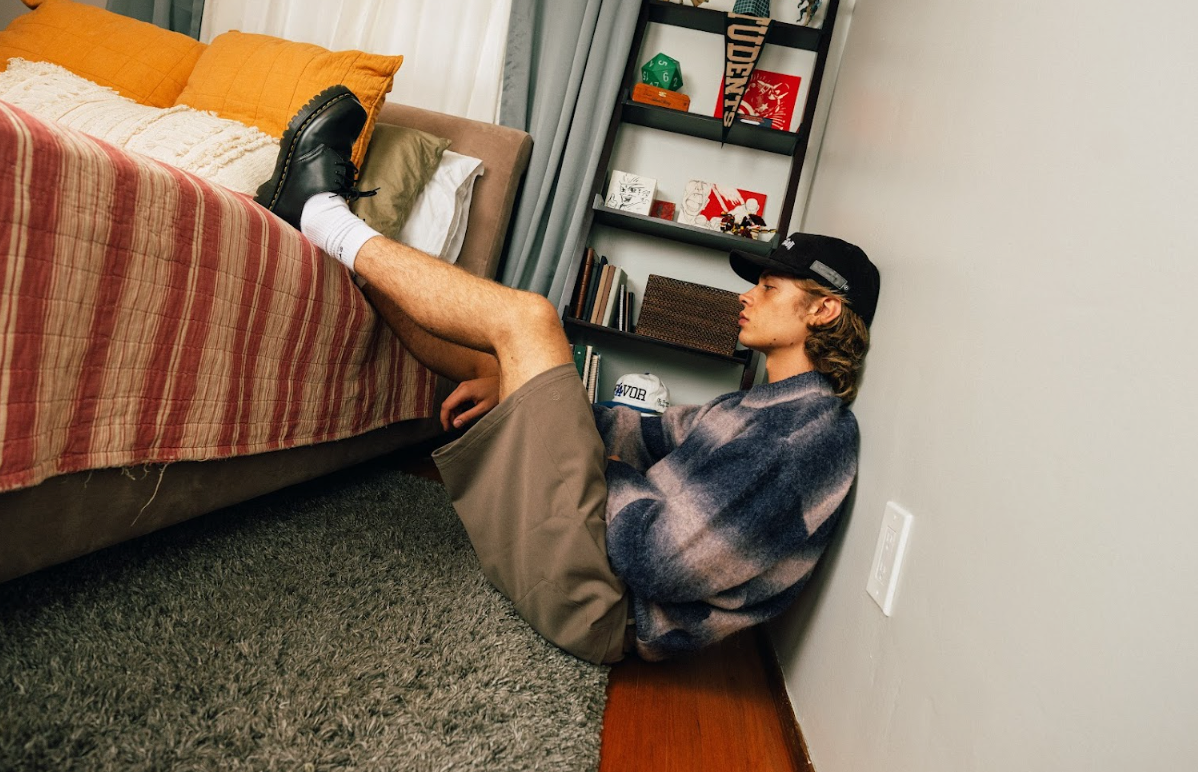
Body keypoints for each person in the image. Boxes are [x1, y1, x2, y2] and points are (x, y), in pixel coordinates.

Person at [255, 86, 881, 664]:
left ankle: (320, 213)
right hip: (588, 574)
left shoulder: (805, 439)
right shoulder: (765, 408)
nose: (746, 297)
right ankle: (345, 255)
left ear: (824, 309)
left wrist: (593, 462)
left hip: (601, 609)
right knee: (504, 365)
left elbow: (658, 562)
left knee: (531, 320)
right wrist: (538, 401)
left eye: (770, 287)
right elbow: (647, 432)